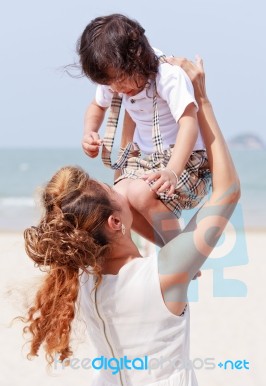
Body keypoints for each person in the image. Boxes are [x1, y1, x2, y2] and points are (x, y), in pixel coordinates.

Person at [21, 57, 240, 386]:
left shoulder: (81, 279)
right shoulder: (164, 273)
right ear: (115, 222)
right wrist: (202, 100)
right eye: (113, 189)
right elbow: (227, 191)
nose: (124, 182)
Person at [79, 14, 211, 245]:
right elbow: (96, 106)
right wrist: (90, 132)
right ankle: (169, 247)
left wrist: (172, 170)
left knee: (140, 194)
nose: (117, 88)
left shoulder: (167, 76)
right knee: (116, 200)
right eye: (110, 83)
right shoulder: (114, 78)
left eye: (121, 80)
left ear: (137, 58)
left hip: (186, 160)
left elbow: (189, 122)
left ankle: (178, 248)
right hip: (145, 160)